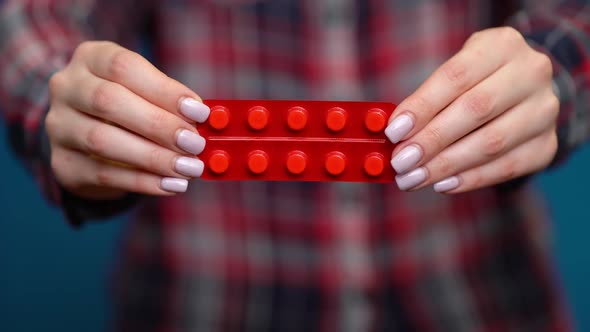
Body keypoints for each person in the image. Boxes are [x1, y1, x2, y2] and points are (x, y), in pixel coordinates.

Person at [1, 0, 588, 330]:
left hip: (481, 298)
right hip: (208, 300)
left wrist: (552, 68)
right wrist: (65, 97)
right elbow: (36, 17)